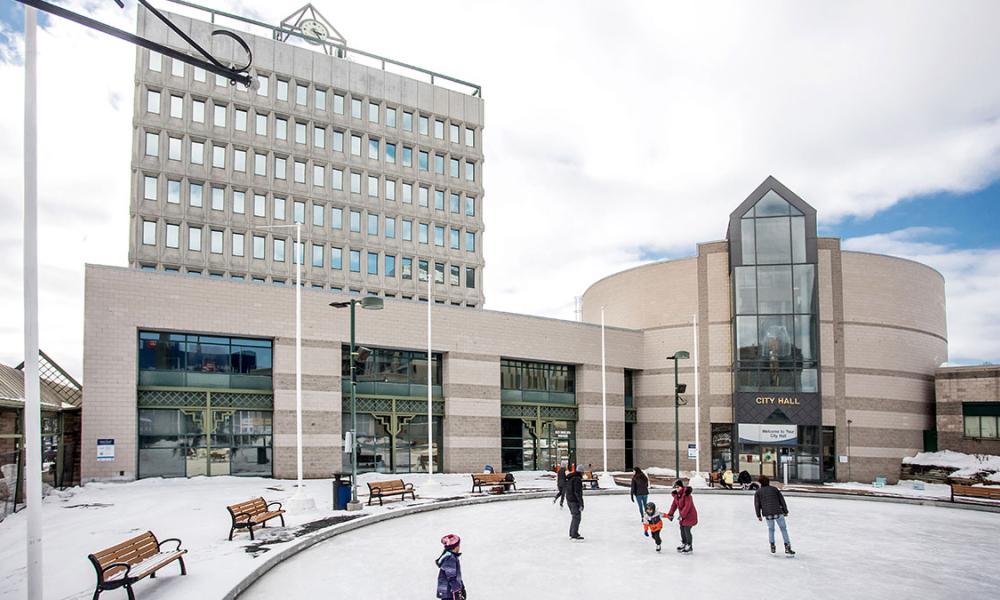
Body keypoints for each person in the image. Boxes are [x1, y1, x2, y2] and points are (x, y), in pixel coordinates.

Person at [754, 475, 795, 555]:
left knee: (771, 529)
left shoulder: (758, 492)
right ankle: (787, 547)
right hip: (778, 512)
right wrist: (785, 511)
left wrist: (758, 515)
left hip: (768, 513)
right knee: (783, 529)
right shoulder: (774, 489)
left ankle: (772, 546)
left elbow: (757, 504)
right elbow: (782, 500)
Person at [665, 479, 698, 553]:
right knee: (682, 529)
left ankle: (689, 546)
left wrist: (682, 515)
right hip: (683, 516)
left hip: (690, 515)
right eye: (675, 487)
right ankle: (684, 543)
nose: (676, 488)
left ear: (681, 486)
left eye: (678, 487)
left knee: (687, 530)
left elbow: (687, 506)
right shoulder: (677, 495)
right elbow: (674, 505)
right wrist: (670, 514)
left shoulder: (687, 495)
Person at [436, 534, 467, 599]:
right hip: (449, 593)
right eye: (458, 545)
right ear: (455, 547)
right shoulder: (450, 558)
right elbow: (451, 577)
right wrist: (457, 592)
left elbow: (456, 576)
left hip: (450, 592)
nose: (459, 547)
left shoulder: (452, 557)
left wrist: (462, 588)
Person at [565, 463, 585, 540]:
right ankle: (574, 534)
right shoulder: (577, 479)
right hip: (574, 500)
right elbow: (578, 492)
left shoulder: (571, 477)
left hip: (569, 499)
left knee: (575, 516)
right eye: (583, 472)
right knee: (577, 517)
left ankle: (572, 532)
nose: (583, 474)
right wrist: (581, 503)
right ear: (581, 472)